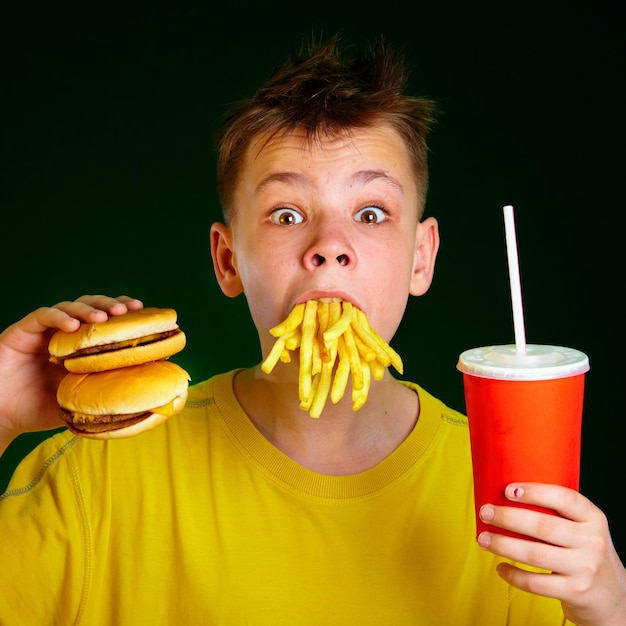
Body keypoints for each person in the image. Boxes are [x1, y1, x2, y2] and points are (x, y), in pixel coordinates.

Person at [0, 36, 624, 625]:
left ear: (421, 257)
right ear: (227, 260)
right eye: (287, 214)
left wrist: (613, 610)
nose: (329, 247)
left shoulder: (509, 495)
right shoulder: (100, 473)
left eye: (371, 213)